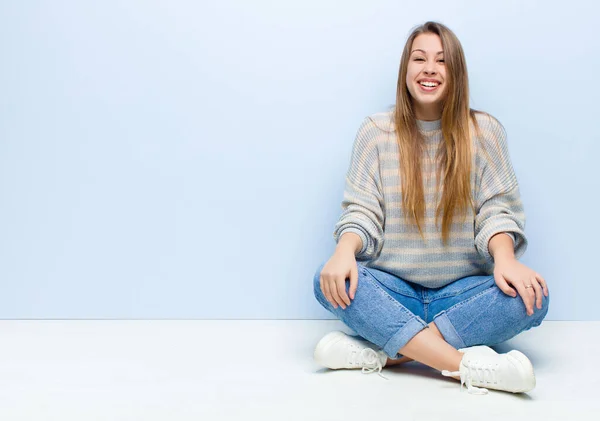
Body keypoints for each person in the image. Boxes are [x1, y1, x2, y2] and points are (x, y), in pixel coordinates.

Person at [312, 21, 550, 395]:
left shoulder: (485, 132)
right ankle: (467, 367)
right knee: (326, 282)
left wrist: (505, 259)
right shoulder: (376, 132)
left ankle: (388, 353)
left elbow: (496, 209)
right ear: (405, 70)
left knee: (534, 297)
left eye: (441, 61)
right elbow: (362, 210)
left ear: (455, 72)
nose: (429, 69)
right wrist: (344, 251)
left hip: (460, 295)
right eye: (419, 58)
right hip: (395, 291)